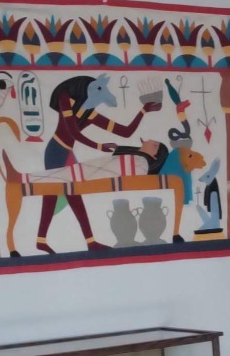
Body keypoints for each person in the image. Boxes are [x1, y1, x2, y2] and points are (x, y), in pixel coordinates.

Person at [35, 76, 159, 248]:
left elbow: (125, 132)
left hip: (67, 153)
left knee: (71, 195)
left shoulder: (90, 113)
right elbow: (72, 132)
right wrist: (99, 146)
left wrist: (143, 111)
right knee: (52, 194)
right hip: (55, 151)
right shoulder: (65, 98)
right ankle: (46, 241)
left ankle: (83, 242)